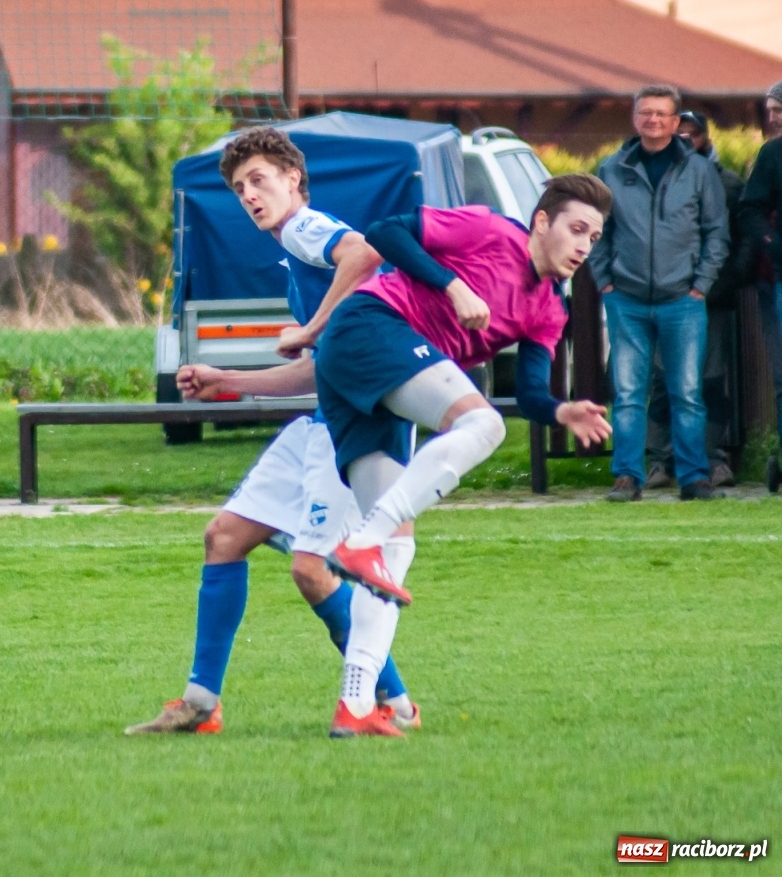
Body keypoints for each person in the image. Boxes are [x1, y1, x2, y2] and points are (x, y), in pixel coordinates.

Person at [125, 128, 419, 737]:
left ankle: (391, 703)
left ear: (293, 179)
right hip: (321, 419)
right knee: (225, 537)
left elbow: (363, 253)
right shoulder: (295, 251)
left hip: (356, 426)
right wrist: (227, 381)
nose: (249, 195)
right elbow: (317, 370)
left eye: (259, 180)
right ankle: (201, 705)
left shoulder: (306, 228)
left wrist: (311, 324)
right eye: (238, 189)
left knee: (313, 570)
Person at [316, 175, 615, 736]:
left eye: (594, 238)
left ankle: (354, 705)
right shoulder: (488, 229)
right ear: (542, 223)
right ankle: (359, 541)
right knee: (482, 424)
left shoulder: (549, 309)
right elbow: (384, 232)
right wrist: (453, 285)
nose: (584, 246)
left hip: (378, 374)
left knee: (395, 553)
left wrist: (558, 411)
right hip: (368, 328)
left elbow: (529, 391)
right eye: (577, 229)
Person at [590, 85, 729, 502]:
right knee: (629, 394)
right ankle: (627, 477)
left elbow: (716, 233)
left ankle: (693, 478)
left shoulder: (699, 171)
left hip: (682, 300)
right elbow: (598, 230)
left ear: (674, 121)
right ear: (635, 118)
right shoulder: (611, 168)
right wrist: (606, 282)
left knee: (687, 391)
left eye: (662, 114)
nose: (653, 120)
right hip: (626, 299)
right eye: (645, 113)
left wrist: (700, 285)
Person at [643, 111, 745, 488]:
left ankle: (713, 457)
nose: (686, 139)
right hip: (661, 297)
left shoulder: (728, 184)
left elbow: (739, 238)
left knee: (710, 382)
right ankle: (660, 459)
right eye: (679, 132)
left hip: (711, 300)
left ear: (706, 137)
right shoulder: (651, 178)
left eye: (693, 133)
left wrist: (721, 283)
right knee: (662, 380)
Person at [738, 80, 782, 443]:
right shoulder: (772, 155)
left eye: (779, 110)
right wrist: (772, 243)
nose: (774, 119)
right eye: (770, 112)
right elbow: (751, 209)